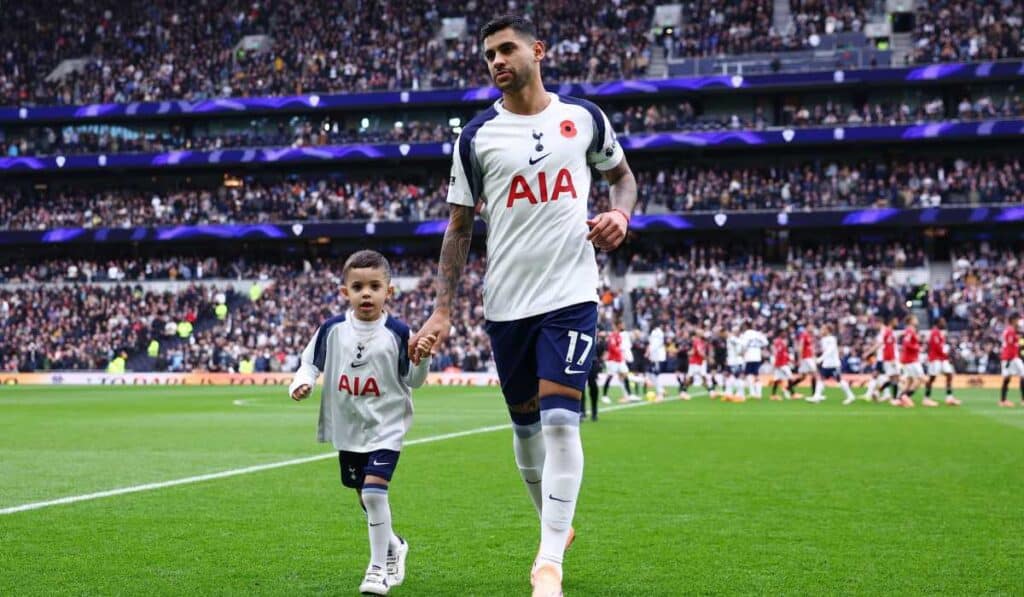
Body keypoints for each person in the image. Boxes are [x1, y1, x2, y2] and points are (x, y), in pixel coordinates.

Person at [409, 14, 637, 597]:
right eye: (489, 55)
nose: (496, 61)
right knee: (525, 428)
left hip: (570, 297)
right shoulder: (477, 135)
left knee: (562, 423)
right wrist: (442, 310)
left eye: (506, 49)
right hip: (507, 304)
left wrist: (620, 214)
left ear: (538, 49)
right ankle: (557, 527)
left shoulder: (583, 117)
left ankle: (546, 565)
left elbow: (623, 178)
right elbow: (458, 228)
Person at [289, 250, 437, 596]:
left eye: (374, 286)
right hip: (349, 428)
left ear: (389, 291)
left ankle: (377, 571)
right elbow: (309, 364)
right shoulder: (331, 329)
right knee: (364, 496)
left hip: (386, 427)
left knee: (373, 492)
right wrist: (301, 382)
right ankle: (394, 545)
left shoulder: (399, 332)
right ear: (345, 292)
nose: (366, 293)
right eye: (358, 287)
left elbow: (414, 380)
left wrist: (423, 357)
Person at [807, 324, 856, 404]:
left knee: (839, 380)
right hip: (826, 364)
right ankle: (817, 396)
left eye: (823, 329)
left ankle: (850, 396)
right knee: (821, 380)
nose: (821, 331)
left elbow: (830, 351)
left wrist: (820, 359)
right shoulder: (824, 339)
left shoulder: (831, 339)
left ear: (828, 330)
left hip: (833, 364)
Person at [924, 318, 961, 406]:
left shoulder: (939, 332)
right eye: (942, 322)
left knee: (949, 374)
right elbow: (937, 347)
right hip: (935, 358)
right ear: (938, 323)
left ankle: (949, 397)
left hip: (941, 359)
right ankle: (926, 398)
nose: (944, 323)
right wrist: (946, 354)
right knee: (932, 378)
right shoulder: (935, 332)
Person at [897, 315, 925, 408]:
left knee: (909, 380)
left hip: (909, 359)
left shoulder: (910, 330)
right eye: (915, 319)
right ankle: (905, 397)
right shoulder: (910, 330)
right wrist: (917, 347)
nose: (917, 320)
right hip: (911, 360)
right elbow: (906, 343)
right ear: (911, 321)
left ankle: (900, 398)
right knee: (921, 379)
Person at [602, 322, 634, 402]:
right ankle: (604, 396)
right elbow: (612, 347)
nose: (623, 326)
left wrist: (622, 354)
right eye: (621, 325)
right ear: (617, 326)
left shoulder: (619, 335)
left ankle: (629, 395)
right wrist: (620, 351)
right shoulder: (613, 335)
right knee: (610, 377)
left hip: (619, 360)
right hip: (613, 360)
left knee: (625, 375)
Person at [999, 312, 1024, 407]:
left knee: (1014, 376)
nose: (1018, 321)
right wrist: (1009, 360)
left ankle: (1003, 400)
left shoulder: (1011, 330)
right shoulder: (1010, 331)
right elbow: (1009, 346)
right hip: (1010, 358)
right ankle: (1003, 400)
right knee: (1007, 378)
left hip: (1013, 357)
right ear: (1013, 320)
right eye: (1017, 319)